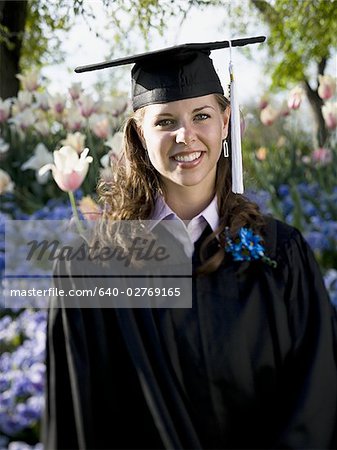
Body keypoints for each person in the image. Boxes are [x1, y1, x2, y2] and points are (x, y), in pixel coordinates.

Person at [43, 37, 337, 449]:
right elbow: (78, 420)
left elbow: (317, 395)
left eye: (202, 115)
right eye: (165, 122)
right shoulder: (90, 269)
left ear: (226, 121)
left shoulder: (279, 253)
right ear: (139, 134)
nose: (187, 135)